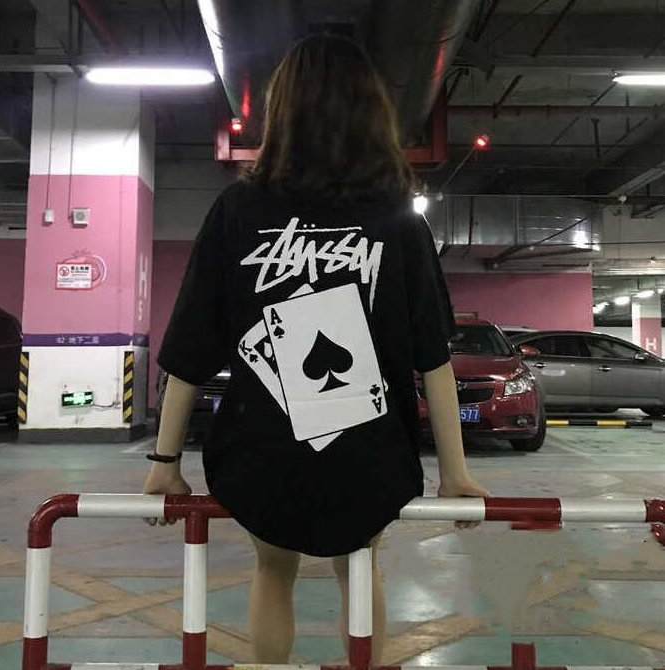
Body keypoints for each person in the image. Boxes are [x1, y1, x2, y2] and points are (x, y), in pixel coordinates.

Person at [142, 33, 488, 665]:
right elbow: (432, 355)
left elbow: (188, 345)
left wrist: (165, 460)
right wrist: (455, 473)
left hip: (262, 450)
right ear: (371, 113)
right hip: (369, 453)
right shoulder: (398, 219)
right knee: (361, 567)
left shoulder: (237, 209)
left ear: (282, 110)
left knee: (272, 571)